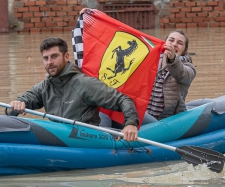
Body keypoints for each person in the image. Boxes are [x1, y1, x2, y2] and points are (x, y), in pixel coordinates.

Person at [10, 37, 140, 141]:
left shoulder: (84, 83)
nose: (49, 62)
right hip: (59, 138)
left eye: (54, 56)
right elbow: (13, 107)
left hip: (86, 140)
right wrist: (16, 104)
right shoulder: (44, 87)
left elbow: (123, 100)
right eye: (46, 58)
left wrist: (130, 124)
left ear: (66, 57)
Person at [145, 30, 196, 122]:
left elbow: (181, 73)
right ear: (164, 43)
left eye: (180, 43)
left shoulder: (189, 68)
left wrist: (172, 58)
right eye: (171, 40)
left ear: (184, 51)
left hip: (165, 121)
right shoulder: (151, 60)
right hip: (144, 114)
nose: (174, 44)